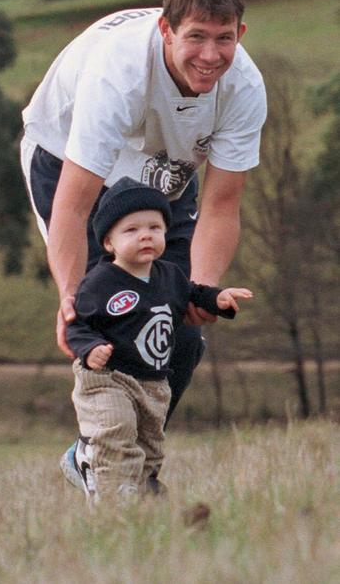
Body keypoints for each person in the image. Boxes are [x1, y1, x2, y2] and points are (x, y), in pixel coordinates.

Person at [19, 0, 266, 490]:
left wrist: (199, 291)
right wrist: (69, 295)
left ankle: (122, 463)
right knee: (108, 319)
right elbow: (73, 205)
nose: (210, 55)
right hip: (72, 166)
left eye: (224, 39)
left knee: (183, 335)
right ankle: (107, 468)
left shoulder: (243, 86)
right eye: (195, 37)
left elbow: (223, 206)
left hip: (163, 175)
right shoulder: (120, 72)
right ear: (165, 29)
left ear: (240, 34)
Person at [66, 177, 252, 501]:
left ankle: (143, 491)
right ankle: (112, 500)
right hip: (109, 378)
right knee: (116, 432)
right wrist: (89, 347)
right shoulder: (99, 283)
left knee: (150, 446)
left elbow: (193, 294)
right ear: (108, 243)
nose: (145, 236)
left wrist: (217, 298)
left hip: (154, 382)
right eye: (132, 230)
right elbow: (77, 324)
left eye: (154, 227)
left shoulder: (169, 275)